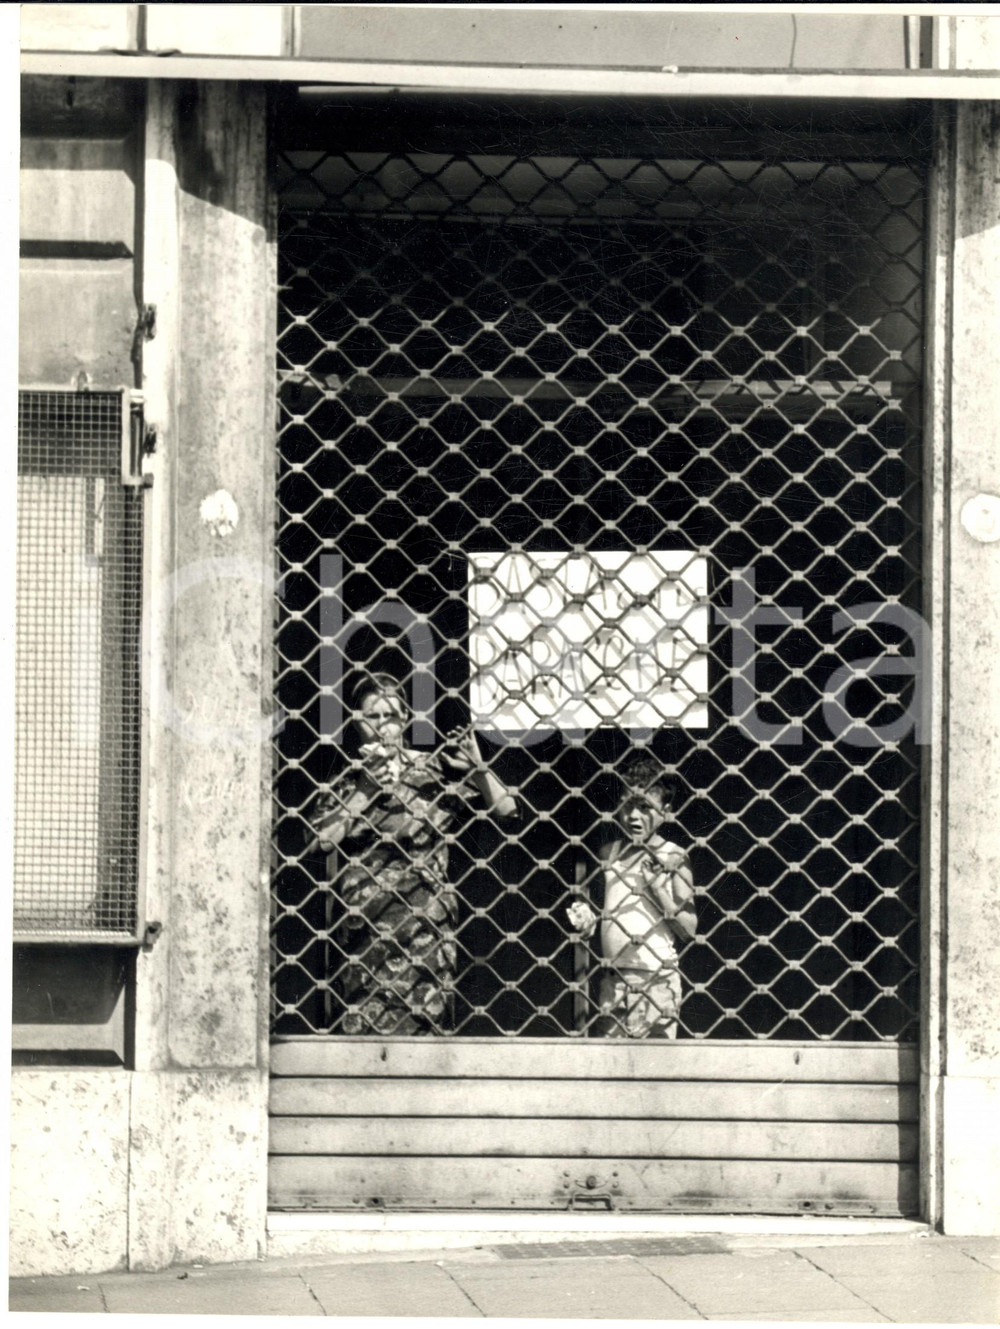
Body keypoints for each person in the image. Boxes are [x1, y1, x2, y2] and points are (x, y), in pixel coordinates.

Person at [304, 673, 518, 1035]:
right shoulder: (345, 779)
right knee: (365, 1044)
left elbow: (507, 810)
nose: (383, 726)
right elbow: (317, 844)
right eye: (373, 717)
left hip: (426, 938)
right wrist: (365, 788)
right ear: (358, 723)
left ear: (405, 719)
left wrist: (480, 769)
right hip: (366, 941)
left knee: (424, 1041)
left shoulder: (432, 771)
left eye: (391, 715)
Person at [566, 753, 695, 1039]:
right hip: (614, 981)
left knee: (655, 1071)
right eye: (627, 806)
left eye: (645, 807)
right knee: (613, 1067)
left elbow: (689, 929)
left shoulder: (674, 856)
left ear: (666, 810)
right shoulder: (609, 853)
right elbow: (603, 909)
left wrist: (658, 889)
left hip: (657, 980)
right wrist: (588, 919)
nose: (633, 816)